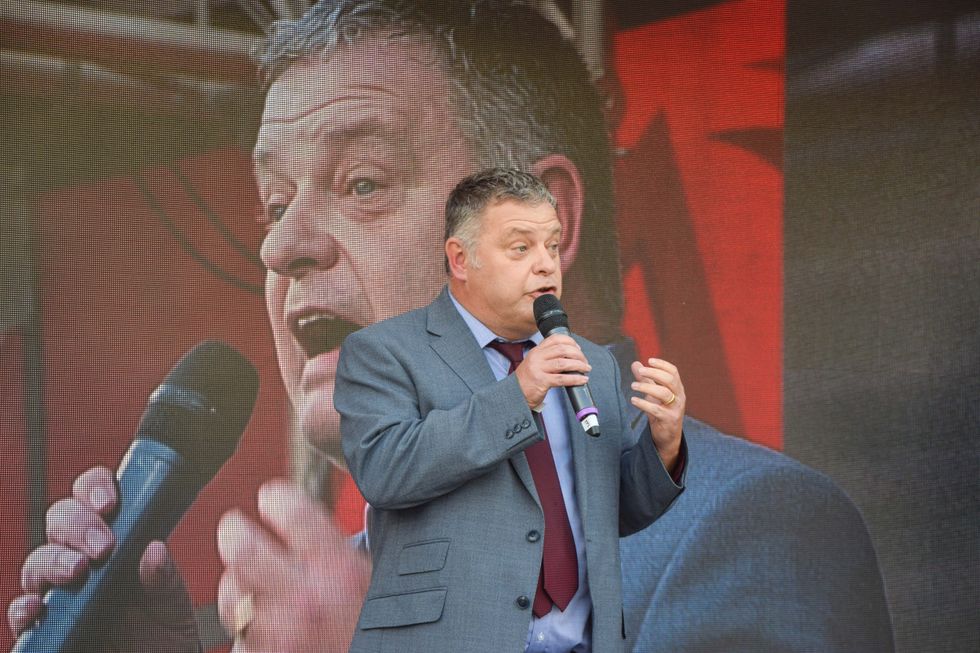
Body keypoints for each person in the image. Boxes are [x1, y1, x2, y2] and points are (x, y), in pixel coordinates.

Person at [8, 1, 894, 651]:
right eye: (272, 203)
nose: (282, 244)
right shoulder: (329, 603)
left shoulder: (747, 529)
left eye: (361, 183)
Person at [335, 168, 684, 651]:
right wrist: (517, 395)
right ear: (461, 259)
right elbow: (385, 471)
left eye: (553, 247)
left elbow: (611, 513)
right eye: (521, 248)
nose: (546, 266)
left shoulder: (591, 363)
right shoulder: (385, 351)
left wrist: (663, 446)